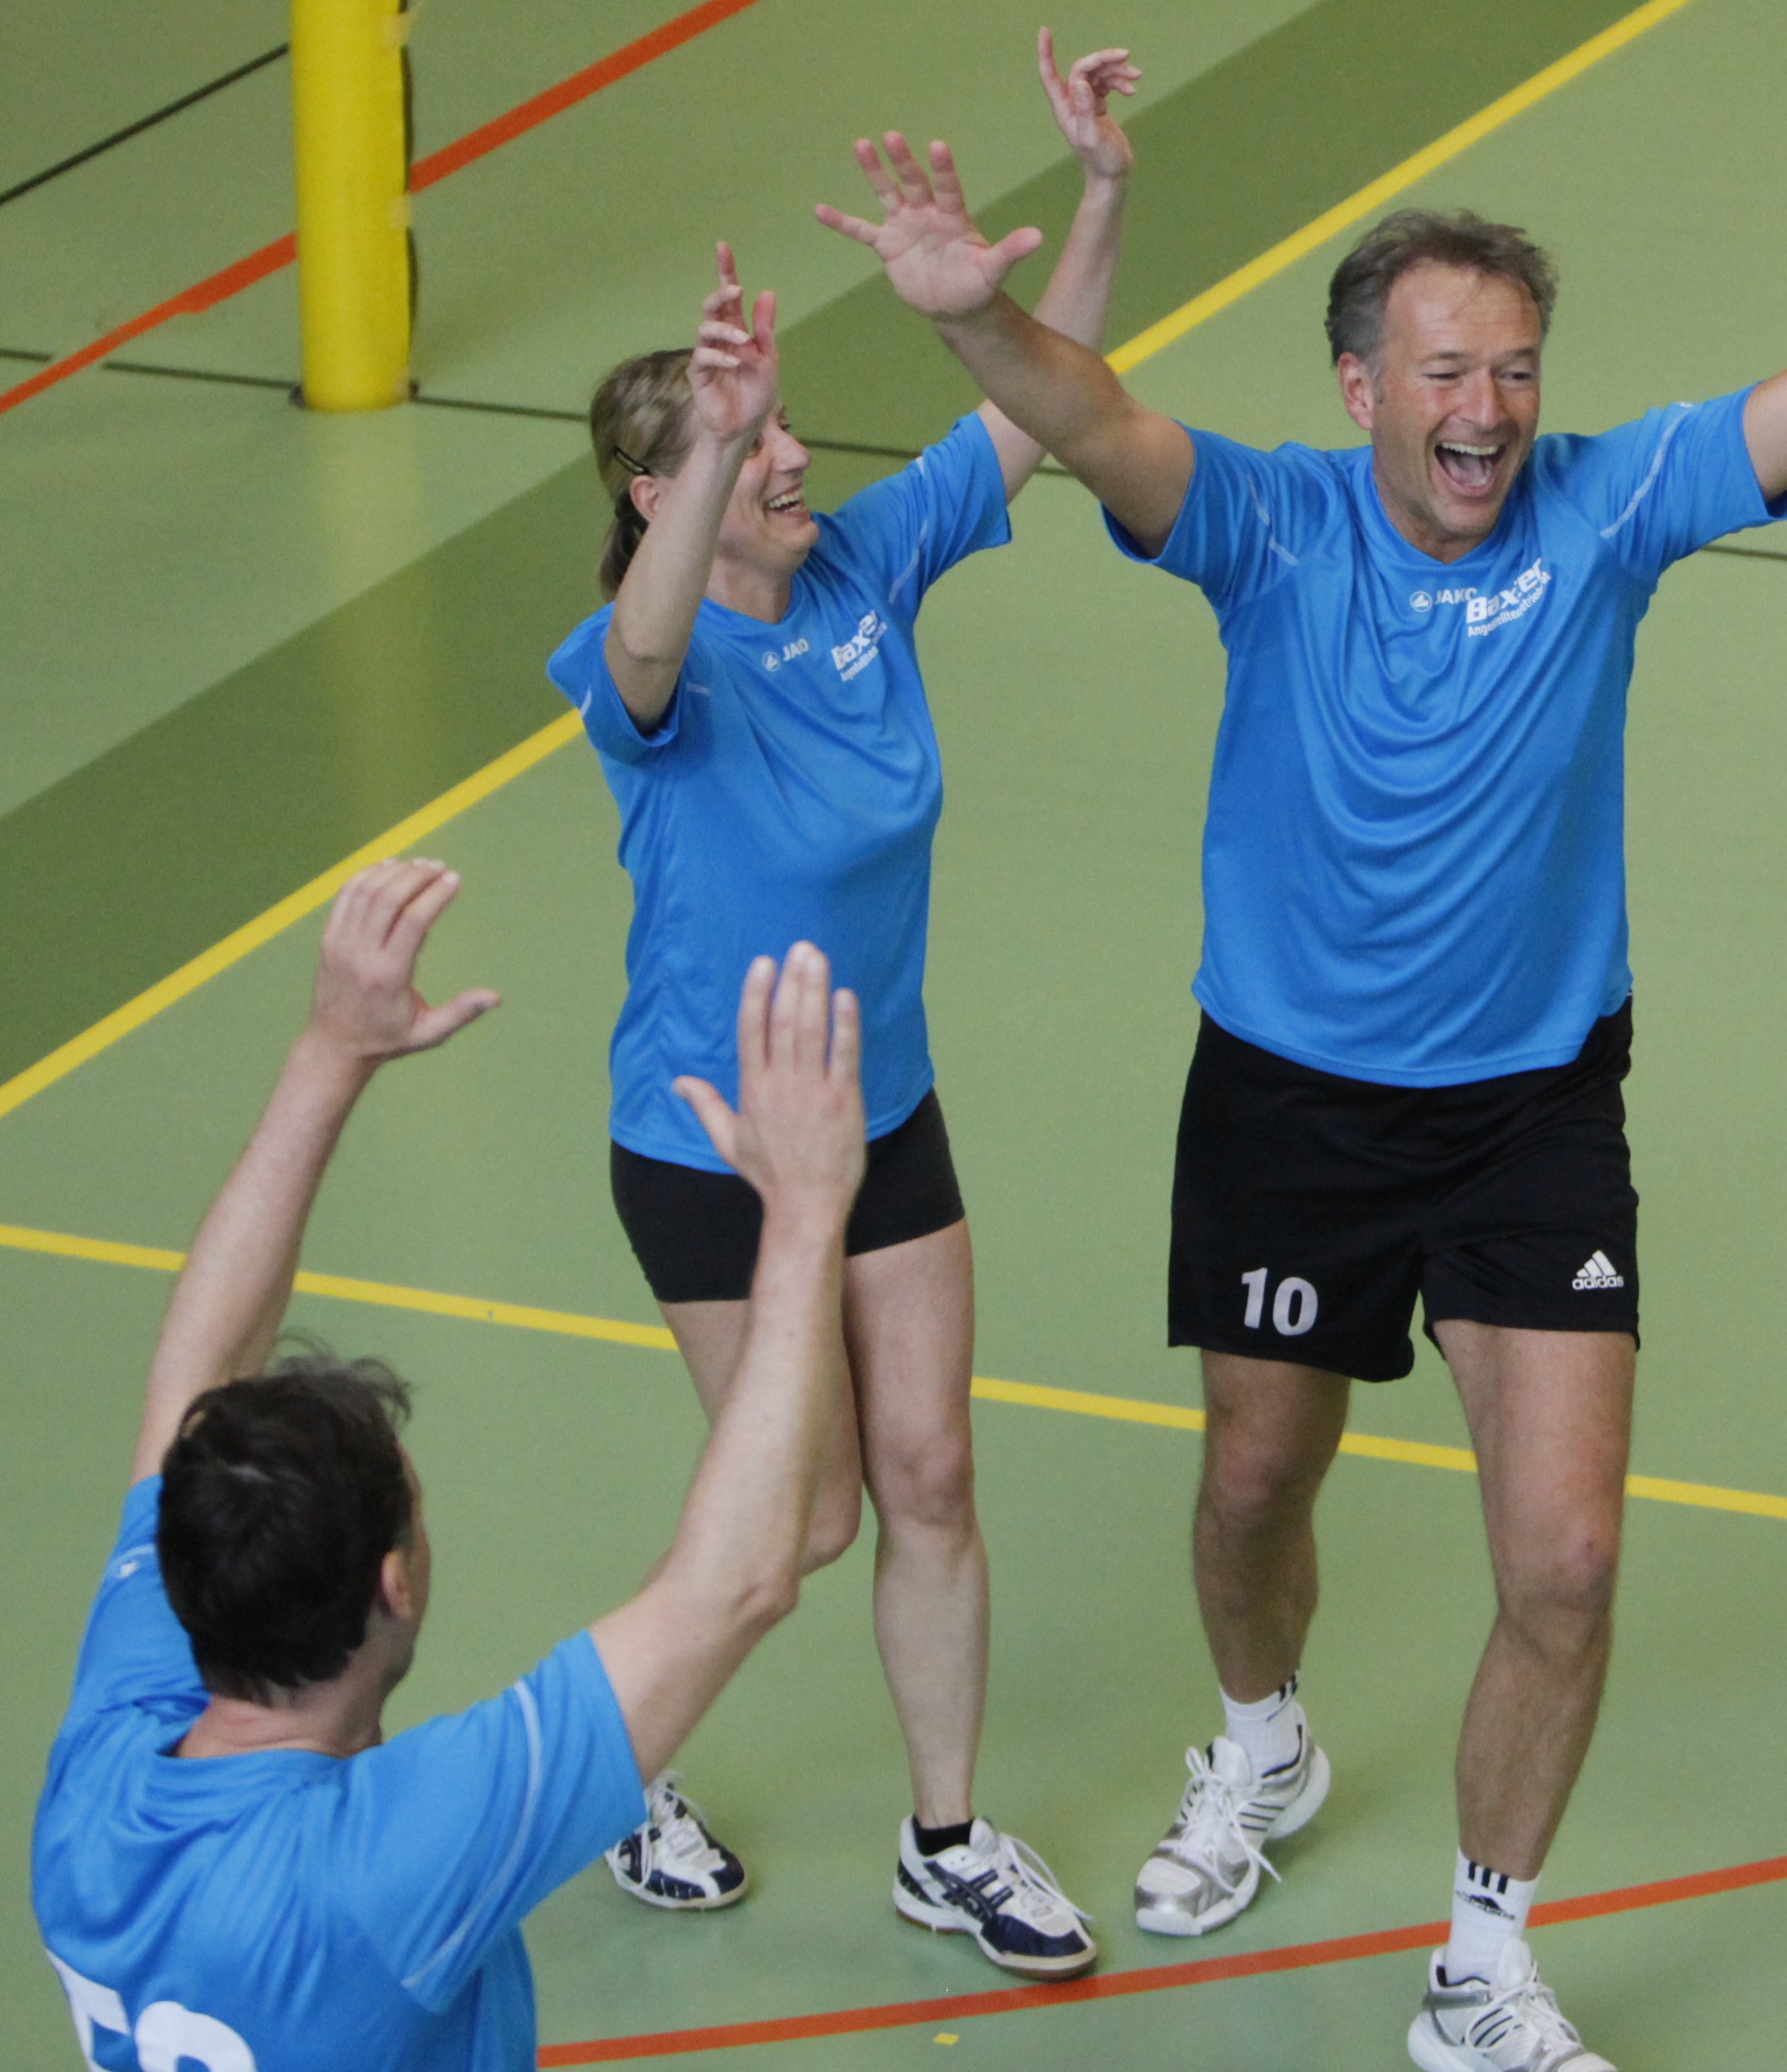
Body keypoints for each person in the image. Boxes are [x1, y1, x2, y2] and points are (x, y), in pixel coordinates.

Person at [824, 102, 1787, 2068]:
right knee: (1253, 1486)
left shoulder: (1610, 509)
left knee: (1570, 1555)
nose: (1489, 410)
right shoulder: (1270, 525)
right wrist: (964, 321)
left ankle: (1482, 1958)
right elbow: (1090, 416)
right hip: (1288, 1099)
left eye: (1517, 369)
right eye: (1448, 371)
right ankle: (1259, 1738)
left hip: (1531, 1110)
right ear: (1360, 386)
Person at [543, 33, 1139, 1972]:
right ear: (666, 488)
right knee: (793, 1525)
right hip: (711, 1146)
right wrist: (715, 450)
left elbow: (1044, 400)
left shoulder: (868, 567)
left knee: (934, 1476)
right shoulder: (644, 672)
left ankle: (946, 1840)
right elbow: (649, 633)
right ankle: (604, 1776)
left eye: (789, 430)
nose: (796, 461)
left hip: (884, 1112)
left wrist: (1101, 192)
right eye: (751, 447)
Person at [29, 857, 869, 2068]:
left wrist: (332, 1051)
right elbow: (733, 1583)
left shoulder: (103, 1776)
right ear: (395, 1583)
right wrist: (804, 1214)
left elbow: (192, 1390)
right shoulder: (387, 1868)